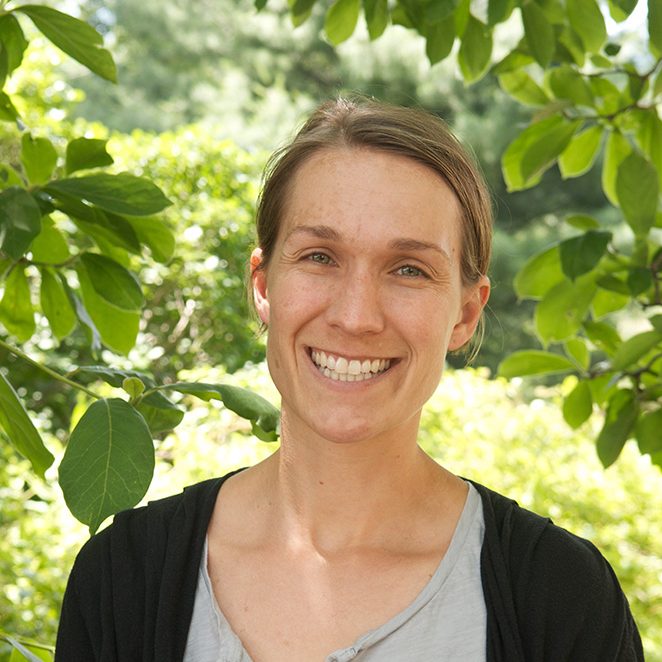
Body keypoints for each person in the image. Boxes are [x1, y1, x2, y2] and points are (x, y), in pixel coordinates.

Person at [55, 97, 643, 662]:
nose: (356, 316)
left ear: (465, 313)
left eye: (408, 269)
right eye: (319, 257)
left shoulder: (562, 596)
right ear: (264, 286)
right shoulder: (122, 578)